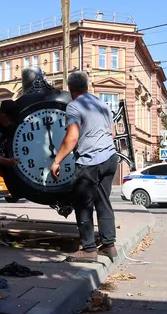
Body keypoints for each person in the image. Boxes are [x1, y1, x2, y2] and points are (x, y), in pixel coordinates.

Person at [50, 71, 118, 262]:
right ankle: (109, 245)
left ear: (70, 89)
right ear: (87, 86)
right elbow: (111, 134)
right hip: (110, 158)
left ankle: (89, 249)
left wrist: (56, 161)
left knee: (83, 205)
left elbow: (72, 137)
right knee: (103, 202)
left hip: (90, 162)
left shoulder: (74, 106)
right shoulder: (103, 104)